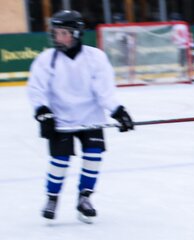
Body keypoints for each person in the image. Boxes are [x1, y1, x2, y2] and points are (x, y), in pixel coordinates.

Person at [26, 9, 134, 223]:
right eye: (55, 32)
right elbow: (37, 90)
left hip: (90, 117)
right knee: (59, 160)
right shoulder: (46, 60)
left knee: (93, 157)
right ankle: (52, 198)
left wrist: (118, 111)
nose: (58, 37)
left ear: (76, 34)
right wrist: (42, 112)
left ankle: (84, 198)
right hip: (60, 120)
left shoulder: (95, 57)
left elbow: (104, 92)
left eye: (63, 32)